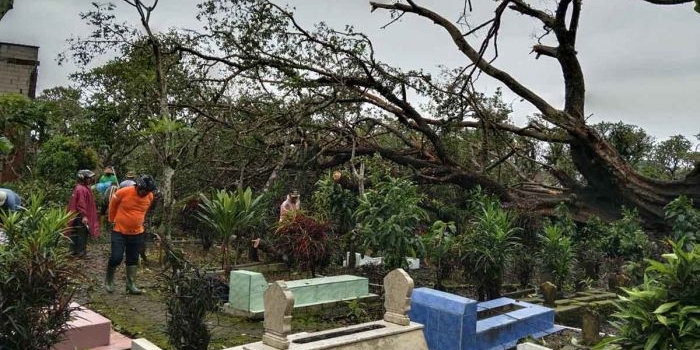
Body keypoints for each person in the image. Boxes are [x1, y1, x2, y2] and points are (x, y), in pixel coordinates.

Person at [105, 174, 157, 294]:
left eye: (147, 191)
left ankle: (130, 284)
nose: (144, 193)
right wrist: (112, 220)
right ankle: (109, 281)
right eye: (143, 190)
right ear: (138, 186)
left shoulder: (150, 196)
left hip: (137, 232)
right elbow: (113, 205)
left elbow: (144, 210)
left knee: (133, 258)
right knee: (116, 257)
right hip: (119, 231)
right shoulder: (124, 192)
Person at [67, 169, 100, 257]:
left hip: (76, 214)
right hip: (80, 215)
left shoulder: (82, 188)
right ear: (83, 178)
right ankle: (81, 252)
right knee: (82, 233)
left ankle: (73, 250)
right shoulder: (81, 189)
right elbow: (81, 203)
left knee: (75, 232)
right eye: (88, 178)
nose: (90, 180)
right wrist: (84, 216)